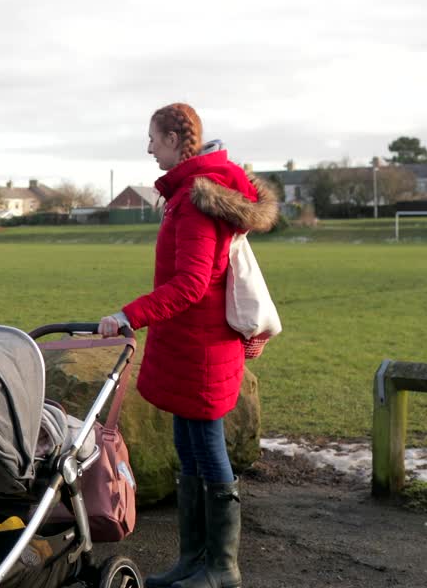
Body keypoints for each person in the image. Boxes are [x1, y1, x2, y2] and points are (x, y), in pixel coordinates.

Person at [98, 103, 278, 588]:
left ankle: (222, 569)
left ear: (177, 141)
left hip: (201, 351)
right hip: (188, 347)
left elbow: (192, 284)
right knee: (190, 448)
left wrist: (126, 316)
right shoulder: (188, 195)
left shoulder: (198, 201)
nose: (149, 147)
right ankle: (193, 561)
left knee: (206, 449)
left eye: (154, 138)